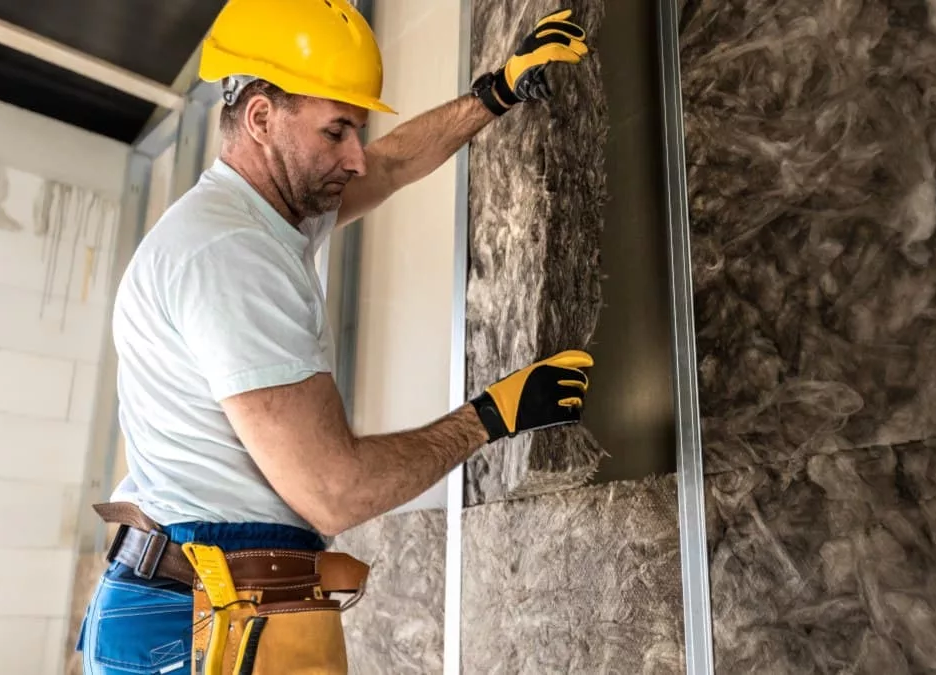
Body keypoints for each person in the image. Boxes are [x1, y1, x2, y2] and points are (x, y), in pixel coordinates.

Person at [75, 0, 597, 672]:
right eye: (337, 130)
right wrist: (489, 418)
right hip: (200, 622)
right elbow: (333, 490)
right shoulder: (232, 255)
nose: (353, 156)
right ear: (262, 117)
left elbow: (387, 167)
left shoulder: (264, 210)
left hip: (200, 596)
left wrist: (495, 92)